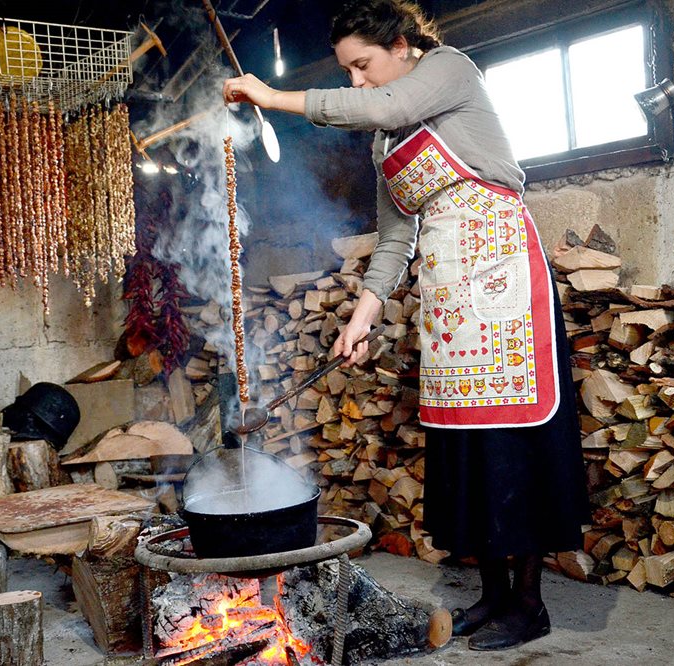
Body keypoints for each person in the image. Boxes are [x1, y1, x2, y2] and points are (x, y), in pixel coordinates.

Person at [224, 0, 586, 651]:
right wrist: (360, 320)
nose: (358, 82)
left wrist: (273, 97)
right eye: (349, 71)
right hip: (448, 300)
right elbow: (394, 241)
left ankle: (530, 605)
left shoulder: (450, 70)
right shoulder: (385, 142)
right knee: (468, 450)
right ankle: (494, 595)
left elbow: (386, 105)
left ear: (399, 45)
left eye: (362, 65)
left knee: (512, 447)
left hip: (503, 282)